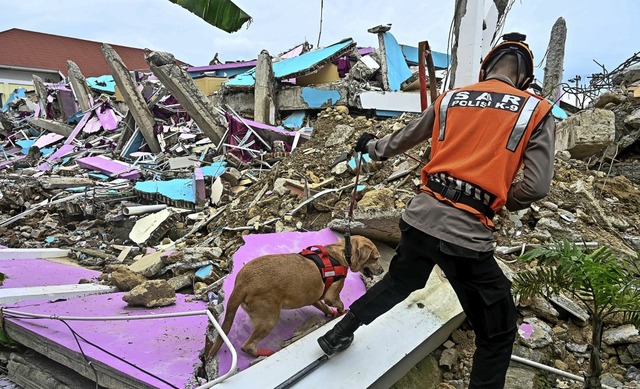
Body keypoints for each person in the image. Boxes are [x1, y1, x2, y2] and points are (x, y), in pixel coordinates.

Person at [317, 32, 556, 389]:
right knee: (499, 331)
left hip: (419, 219)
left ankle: (340, 332)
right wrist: (504, 199)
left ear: (485, 67)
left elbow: (395, 143)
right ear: (525, 77)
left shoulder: (452, 99)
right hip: (466, 238)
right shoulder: (535, 110)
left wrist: (371, 145)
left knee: (400, 281)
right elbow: (537, 186)